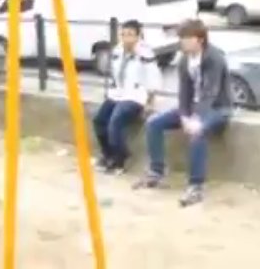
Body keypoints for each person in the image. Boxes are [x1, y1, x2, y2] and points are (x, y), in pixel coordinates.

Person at [133, 18, 232, 207]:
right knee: (154, 123)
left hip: (218, 108)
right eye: (181, 38)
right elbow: (184, 92)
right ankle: (156, 171)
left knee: (197, 132)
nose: (183, 42)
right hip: (193, 108)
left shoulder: (214, 58)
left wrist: (194, 120)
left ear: (200, 39)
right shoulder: (185, 60)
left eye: (187, 38)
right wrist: (185, 115)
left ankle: (196, 186)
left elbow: (210, 93)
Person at [92, 20, 160, 174]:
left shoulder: (145, 53)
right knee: (99, 120)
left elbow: (153, 78)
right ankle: (107, 154)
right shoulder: (117, 51)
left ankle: (120, 159)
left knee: (115, 122)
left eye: (130, 35)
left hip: (135, 95)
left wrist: (150, 101)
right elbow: (114, 74)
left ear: (138, 36)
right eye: (123, 34)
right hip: (118, 93)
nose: (126, 39)